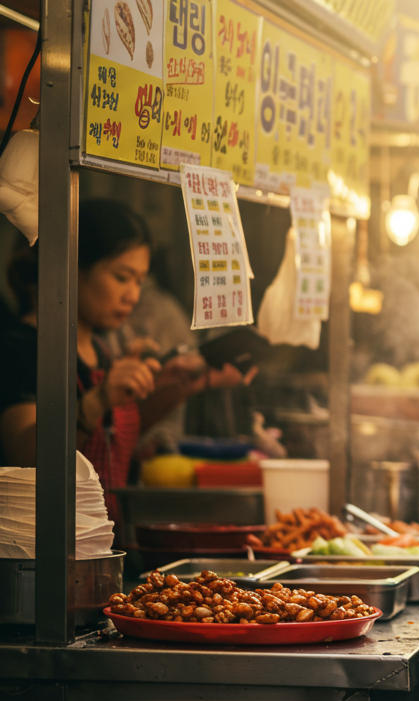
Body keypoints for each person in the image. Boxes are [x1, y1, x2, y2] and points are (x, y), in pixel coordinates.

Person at [0, 200, 254, 519]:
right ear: (70, 265)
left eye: (139, 281)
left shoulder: (101, 349)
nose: (133, 296)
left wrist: (179, 386)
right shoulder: (19, 348)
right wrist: (99, 399)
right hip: (46, 549)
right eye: (122, 277)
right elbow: (26, 456)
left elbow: (112, 441)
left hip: (102, 543)